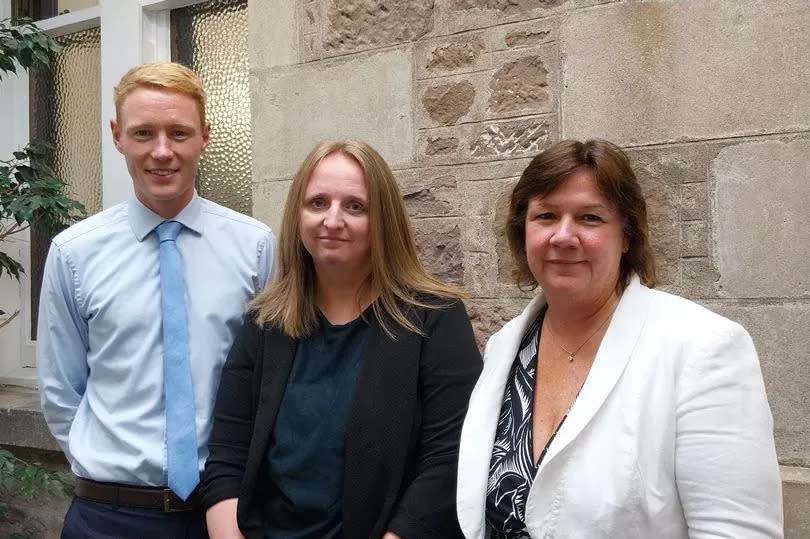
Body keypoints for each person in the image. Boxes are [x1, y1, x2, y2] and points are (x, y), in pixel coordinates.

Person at [456, 139, 783, 538]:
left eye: (590, 218)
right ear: (522, 230)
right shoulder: (505, 348)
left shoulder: (703, 348)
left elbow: (736, 531)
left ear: (626, 236)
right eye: (545, 216)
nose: (563, 236)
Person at [37, 61, 275, 538]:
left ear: (205, 135)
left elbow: (271, 383)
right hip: (107, 517)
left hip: (224, 516)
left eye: (179, 133)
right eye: (143, 132)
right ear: (117, 135)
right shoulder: (74, 254)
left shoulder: (256, 249)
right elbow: (62, 392)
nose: (162, 152)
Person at [202, 140, 482, 539]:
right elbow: (228, 457)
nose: (332, 220)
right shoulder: (264, 324)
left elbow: (448, 460)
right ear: (297, 214)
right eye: (317, 203)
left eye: (355, 206)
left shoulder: (434, 320)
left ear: (382, 219)